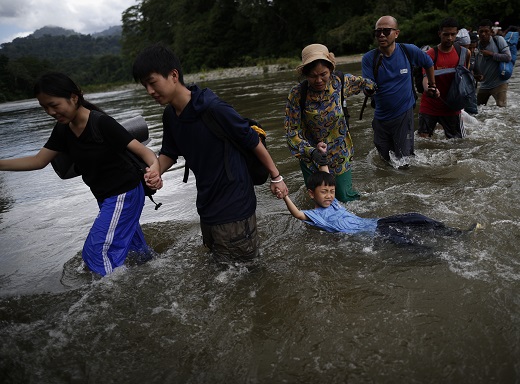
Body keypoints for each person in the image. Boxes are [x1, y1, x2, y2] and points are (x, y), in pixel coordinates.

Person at [132, 44, 288, 266]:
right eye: (145, 85)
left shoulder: (213, 108)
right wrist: (155, 172)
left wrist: (276, 177)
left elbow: (252, 141)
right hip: (207, 204)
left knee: (245, 273)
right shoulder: (170, 115)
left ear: (173, 75)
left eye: (152, 82)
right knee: (221, 269)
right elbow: (169, 153)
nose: (149, 91)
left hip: (235, 202)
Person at [0, 72, 160, 276]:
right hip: (106, 198)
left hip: (124, 194)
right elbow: (38, 161)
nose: (50, 112)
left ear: (74, 97)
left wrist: (154, 171)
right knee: (136, 253)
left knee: (96, 253)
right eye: (44, 107)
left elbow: (145, 152)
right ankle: (154, 276)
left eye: (54, 105)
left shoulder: (101, 123)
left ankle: (116, 301)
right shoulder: (63, 130)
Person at [280, 156, 474, 245]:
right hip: (371, 234)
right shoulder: (316, 215)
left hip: (376, 223)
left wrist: (322, 158)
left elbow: (327, 177)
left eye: (331, 191)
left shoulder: (334, 202)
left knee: (415, 217)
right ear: (312, 194)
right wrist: (285, 195)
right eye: (324, 192)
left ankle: (454, 233)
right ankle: (437, 253)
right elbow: (297, 213)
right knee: (406, 241)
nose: (329, 195)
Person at [284, 43, 375, 202]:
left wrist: (371, 89)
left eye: (323, 74)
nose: (318, 80)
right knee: (320, 201)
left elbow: (365, 83)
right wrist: (312, 152)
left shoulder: (340, 82)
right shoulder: (298, 94)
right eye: (313, 76)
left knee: (345, 198)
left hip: (339, 152)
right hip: (311, 156)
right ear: (305, 74)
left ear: (331, 71)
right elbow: (292, 132)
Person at [361, 15, 436, 168]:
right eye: (378, 32)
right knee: (385, 161)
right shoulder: (369, 58)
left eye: (386, 31)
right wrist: (367, 90)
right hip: (381, 116)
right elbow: (368, 84)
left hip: (403, 114)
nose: (381, 35)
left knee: (403, 162)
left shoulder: (408, 51)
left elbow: (428, 63)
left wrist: (432, 85)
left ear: (396, 33)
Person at [418, 18, 472, 139]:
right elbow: (425, 78)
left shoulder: (464, 53)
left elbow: (465, 77)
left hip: (452, 107)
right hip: (430, 105)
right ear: (439, 34)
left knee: (458, 144)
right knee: (423, 140)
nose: (450, 38)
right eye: (446, 34)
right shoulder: (430, 55)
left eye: (453, 34)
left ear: (457, 33)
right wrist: (429, 89)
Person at [473, 19, 512, 107]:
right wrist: (476, 75)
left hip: (499, 83)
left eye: (486, 31)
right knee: (477, 110)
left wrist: (491, 54)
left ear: (491, 31)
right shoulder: (476, 45)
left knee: (501, 108)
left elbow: (508, 57)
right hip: (484, 84)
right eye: (481, 31)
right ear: (478, 32)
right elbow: (473, 64)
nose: (483, 34)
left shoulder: (498, 40)